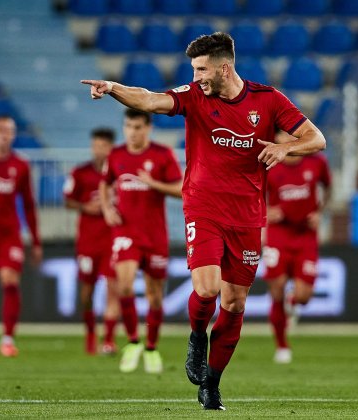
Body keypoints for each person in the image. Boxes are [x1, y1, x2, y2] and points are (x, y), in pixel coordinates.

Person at [82, 31, 326, 410]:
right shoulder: (195, 96)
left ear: (224, 68)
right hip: (203, 206)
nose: (195, 76)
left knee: (236, 303)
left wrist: (285, 146)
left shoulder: (269, 100)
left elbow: (316, 138)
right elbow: (150, 99)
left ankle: (212, 383)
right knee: (208, 288)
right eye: (193, 69)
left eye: (201, 69)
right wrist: (114, 87)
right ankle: (197, 335)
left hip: (247, 215)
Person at [99, 108, 182, 374]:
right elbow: (105, 183)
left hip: (155, 235)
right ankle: (134, 340)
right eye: (128, 127)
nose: (132, 132)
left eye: (137, 127)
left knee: (155, 296)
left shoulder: (162, 155)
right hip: (125, 233)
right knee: (124, 286)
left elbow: (181, 189)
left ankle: (152, 347)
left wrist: (153, 183)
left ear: (148, 129)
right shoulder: (116, 155)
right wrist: (106, 208)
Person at [0, 115, 42, 358]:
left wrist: (36, 240)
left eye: (10, 131)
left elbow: (30, 205)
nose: (6, 135)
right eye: (1, 129)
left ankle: (8, 339)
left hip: (9, 234)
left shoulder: (21, 165)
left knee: (10, 280)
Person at [262, 130, 331, 364]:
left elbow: (328, 188)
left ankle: (294, 304)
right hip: (278, 235)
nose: (289, 141)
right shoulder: (269, 165)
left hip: (306, 235)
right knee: (277, 289)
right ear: (277, 140)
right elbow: (254, 197)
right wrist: (266, 213)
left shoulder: (317, 162)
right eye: (284, 137)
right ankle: (282, 345)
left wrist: (320, 212)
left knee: (303, 296)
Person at [64, 127, 119, 355]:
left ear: (111, 148)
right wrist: (86, 206)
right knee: (86, 293)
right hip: (88, 240)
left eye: (104, 146)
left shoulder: (119, 173)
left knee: (113, 289)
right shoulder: (80, 173)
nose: (99, 150)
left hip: (113, 239)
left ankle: (108, 340)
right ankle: (90, 334)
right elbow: (68, 201)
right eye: (96, 146)